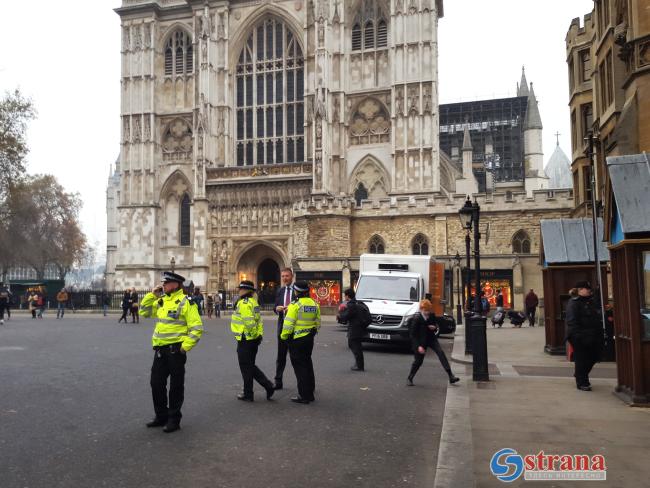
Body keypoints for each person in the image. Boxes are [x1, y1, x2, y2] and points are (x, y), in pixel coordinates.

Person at [139, 271, 203, 433]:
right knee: (156, 383)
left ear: (175, 285)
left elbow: (196, 328)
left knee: (176, 386)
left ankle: (174, 418)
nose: (163, 285)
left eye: (166, 283)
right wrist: (151, 295)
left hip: (176, 351)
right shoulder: (161, 301)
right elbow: (144, 312)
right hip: (160, 350)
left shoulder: (186, 302)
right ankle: (161, 416)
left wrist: (184, 347)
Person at [230, 280, 275, 402]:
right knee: (249, 366)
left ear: (245, 290)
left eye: (240, 288)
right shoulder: (253, 302)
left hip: (245, 339)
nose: (239, 290)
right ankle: (249, 392)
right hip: (252, 339)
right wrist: (258, 335)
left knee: (247, 367)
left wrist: (253, 335)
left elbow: (249, 323)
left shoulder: (244, 303)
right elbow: (258, 321)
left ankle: (266, 386)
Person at [281, 281, 321, 404]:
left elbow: (288, 325)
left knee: (300, 368)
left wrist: (284, 337)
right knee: (307, 364)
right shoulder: (315, 304)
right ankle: (310, 391)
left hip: (296, 340)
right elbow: (318, 323)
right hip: (309, 339)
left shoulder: (295, 305)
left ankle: (304, 395)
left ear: (297, 291)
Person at [407, 299, 460, 386]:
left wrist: (434, 327)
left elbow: (434, 325)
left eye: (428, 310)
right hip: (421, 342)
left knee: (441, 353)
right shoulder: (417, 319)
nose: (427, 312)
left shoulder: (431, 315)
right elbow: (413, 335)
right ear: (421, 309)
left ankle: (451, 376)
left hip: (431, 339)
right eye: (425, 310)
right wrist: (418, 347)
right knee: (418, 361)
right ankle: (410, 378)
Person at [565, 281, 604, 391]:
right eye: (587, 289)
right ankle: (582, 382)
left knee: (593, 357)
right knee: (582, 359)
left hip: (592, 335)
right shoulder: (573, 303)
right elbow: (572, 321)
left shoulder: (590, 301)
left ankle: (579, 374)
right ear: (580, 290)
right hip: (579, 336)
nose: (589, 291)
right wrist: (578, 336)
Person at [273, 268, 294, 390]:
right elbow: (275, 307)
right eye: (283, 276)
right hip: (282, 327)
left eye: (287, 276)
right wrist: (277, 309)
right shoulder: (280, 291)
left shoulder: (297, 291)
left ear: (292, 276)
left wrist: (292, 308)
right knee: (280, 357)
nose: (285, 278)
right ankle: (278, 381)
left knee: (296, 357)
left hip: (294, 328)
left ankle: (302, 383)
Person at [337, 288, 366, 371]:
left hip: (355, 328)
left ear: (347, 296)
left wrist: (340, 316)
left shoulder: (351, 304)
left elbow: (346, 316)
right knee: (356, 345)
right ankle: (358, 364)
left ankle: (359, 365)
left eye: (345, 295)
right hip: (357, 327)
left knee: (355, 345)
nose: (344, 297)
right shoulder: (355, 302)